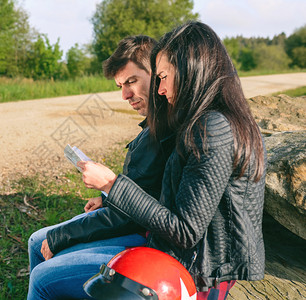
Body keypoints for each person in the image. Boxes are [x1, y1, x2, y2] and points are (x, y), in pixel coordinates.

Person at [78, 21, 266, 298]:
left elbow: (186, 231)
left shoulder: (213, 128)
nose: (161, 90)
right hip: (188, 262)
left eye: (163, 77)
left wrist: (111, 184)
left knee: (48, 281)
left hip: (196, 275)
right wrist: (110, 197)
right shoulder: (210, 119)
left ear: (191, 68)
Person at [27, 35, 176, 299]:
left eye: (131, 81)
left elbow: (132, 214)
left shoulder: (165, 130)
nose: (125, 95)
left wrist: (64, 235)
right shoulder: (155, 123)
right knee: (37, 241)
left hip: (145, 237)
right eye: (120, 85)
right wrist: (106, 197)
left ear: (158, 74)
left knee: (42, 273)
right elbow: (145, 189)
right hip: (133, 222)